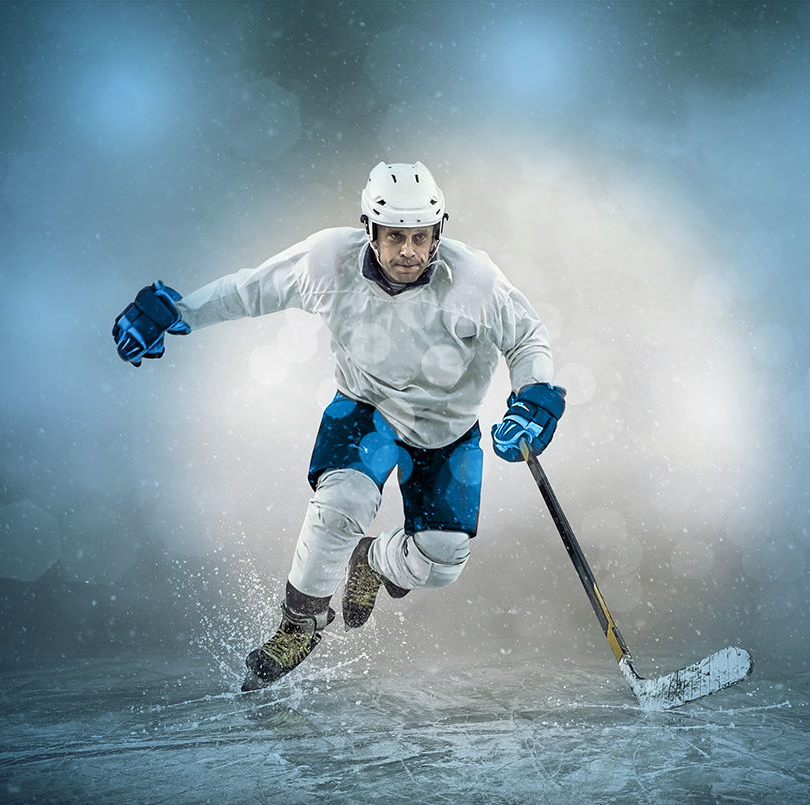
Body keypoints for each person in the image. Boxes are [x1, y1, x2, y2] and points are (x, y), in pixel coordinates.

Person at [113, 161, 566, 691]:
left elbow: (527, 338)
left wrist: (532, 399)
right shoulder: (329, 262)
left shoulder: (475, 280)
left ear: (439, 231)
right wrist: (180, 312)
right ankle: (299, 625)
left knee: (443, 560)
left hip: (447, 431)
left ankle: (371, 561)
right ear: (369, 230)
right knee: (341, 503)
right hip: (366, 408)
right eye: (395, 236)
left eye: (421, 237)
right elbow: (249, 290)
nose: (409, 252)